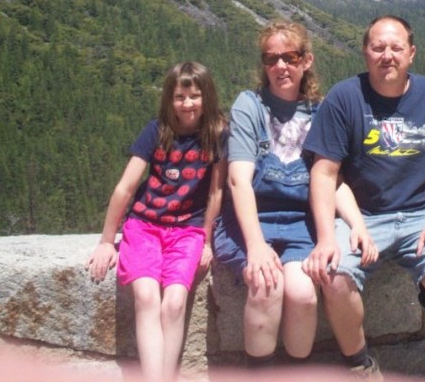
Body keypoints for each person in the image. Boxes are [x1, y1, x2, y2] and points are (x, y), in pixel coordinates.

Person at [303, 15, 425, 382]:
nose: (387, 55)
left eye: (396, 48)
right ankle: (360, 364)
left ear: (411, 53)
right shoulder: (344, 98)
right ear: (365, 53)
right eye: (378, 47)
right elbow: (324, 172)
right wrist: (325, 238)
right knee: (334, 276)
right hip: (361, 218)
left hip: (421, 216)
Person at [214, 20, 376, 371]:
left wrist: (357, 225)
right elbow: (238, 181)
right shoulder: (249, 106)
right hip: (250, 221)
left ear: (306, 61)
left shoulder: (322, 112)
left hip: (301, 223)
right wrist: (256, 246)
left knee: (303, 294)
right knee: (265, 284)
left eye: (289, 57)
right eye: (271, 59)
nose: (280, 67)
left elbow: (333, 180)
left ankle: (294, 369)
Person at [87, 61, 226, 382]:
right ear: (169, 99)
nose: (187, 104)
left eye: (195, 96)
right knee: (147, 297)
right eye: (180, 97)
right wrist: (108, 241)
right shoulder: (156, 131)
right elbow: (126, 186)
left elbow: (216, 194)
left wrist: (206, 239)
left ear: (208, 97)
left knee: (174, 303)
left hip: (188, 230)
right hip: (144, 225)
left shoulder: (216, 134)